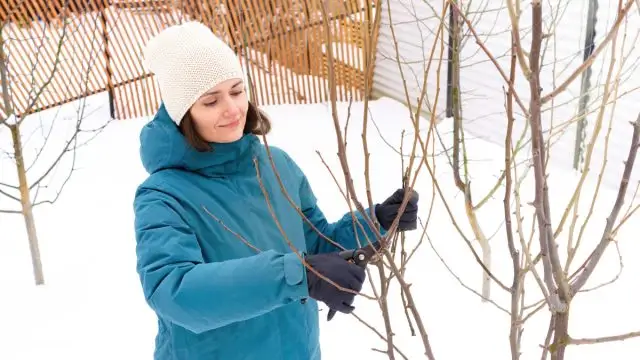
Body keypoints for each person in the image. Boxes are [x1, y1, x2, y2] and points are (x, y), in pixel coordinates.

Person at [133, 21, 420, 360]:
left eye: (237, 91)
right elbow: (174, 292)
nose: (233, 109)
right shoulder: (164, 196)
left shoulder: (275, 164)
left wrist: (375, 221)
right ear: (184, 114)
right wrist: (297, 275)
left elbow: (314, 243)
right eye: (211, 101)